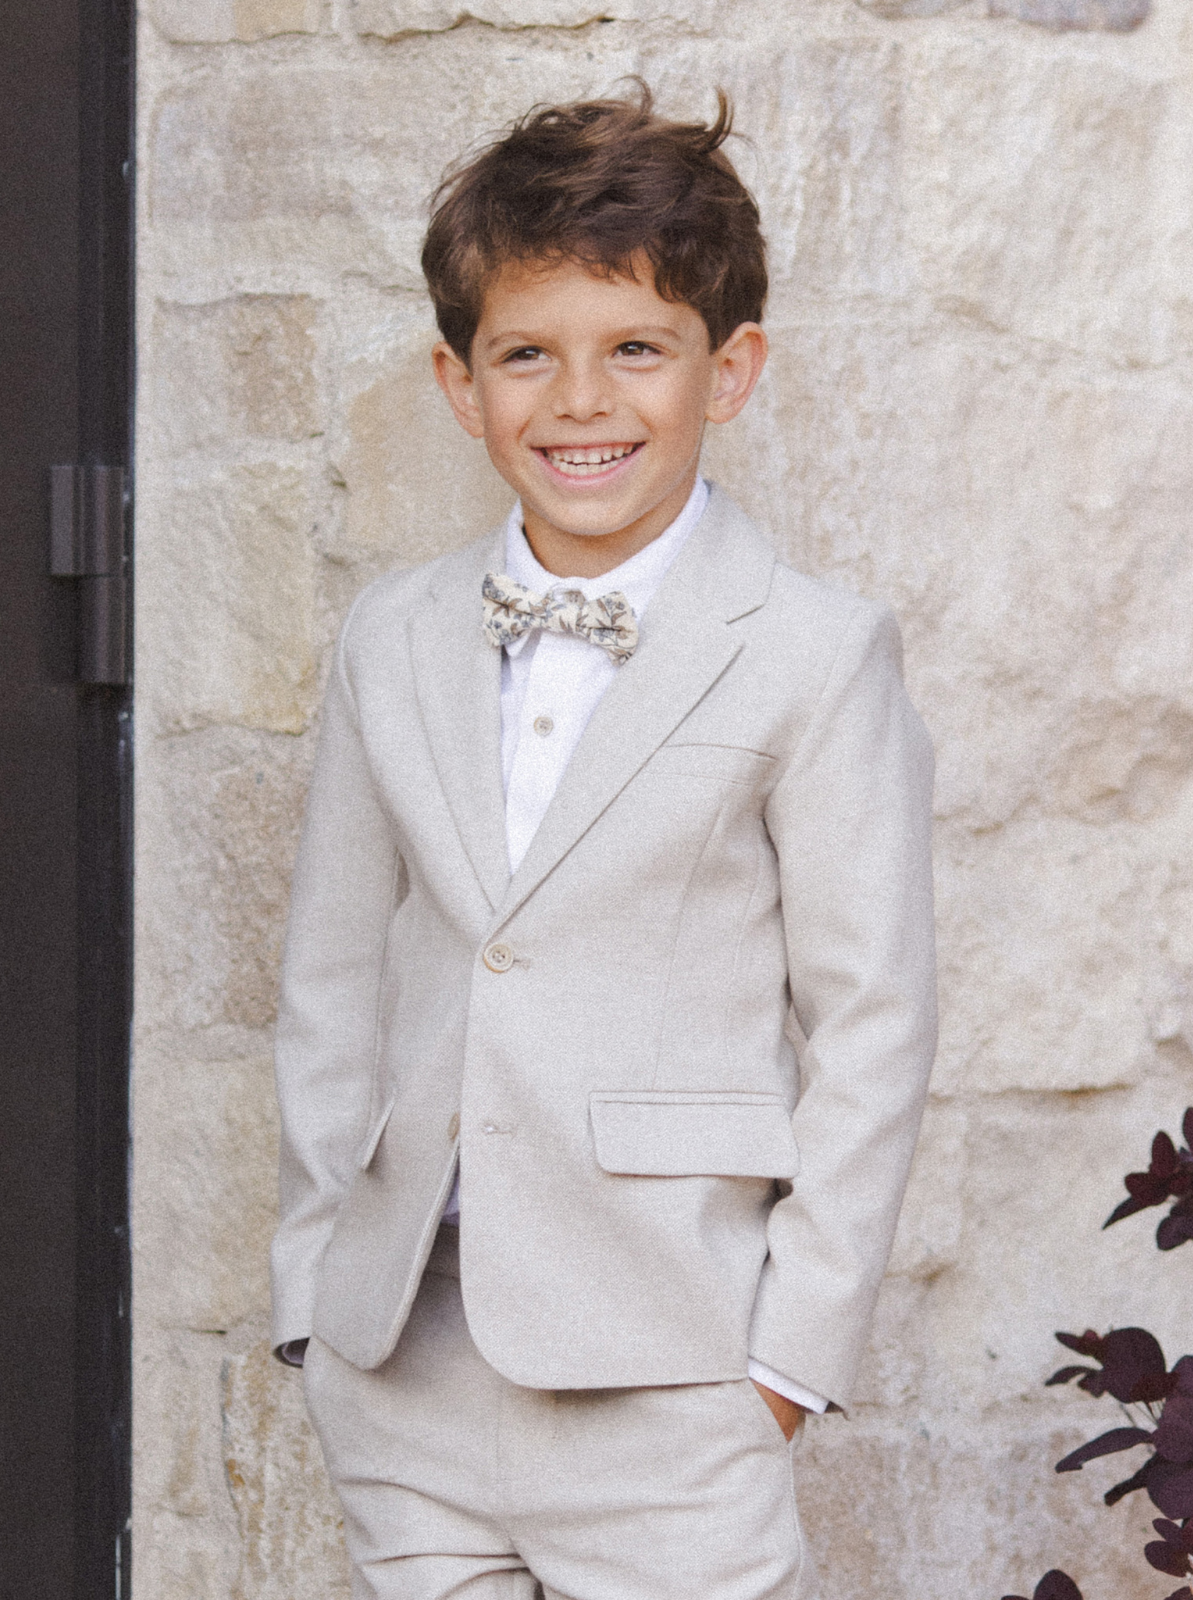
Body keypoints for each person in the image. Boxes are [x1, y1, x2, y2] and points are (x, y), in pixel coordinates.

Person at [270, 83, 937, 1600]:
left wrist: (783, 1369)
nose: (582, 403)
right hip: (406, 1373)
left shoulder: (815, 655)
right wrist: (316, 1299)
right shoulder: (391, 638)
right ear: (461, 384)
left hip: (670, 1376)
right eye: (528, 354)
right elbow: (332, 983)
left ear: (732, 367)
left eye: (637, 348)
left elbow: (871, 1027)